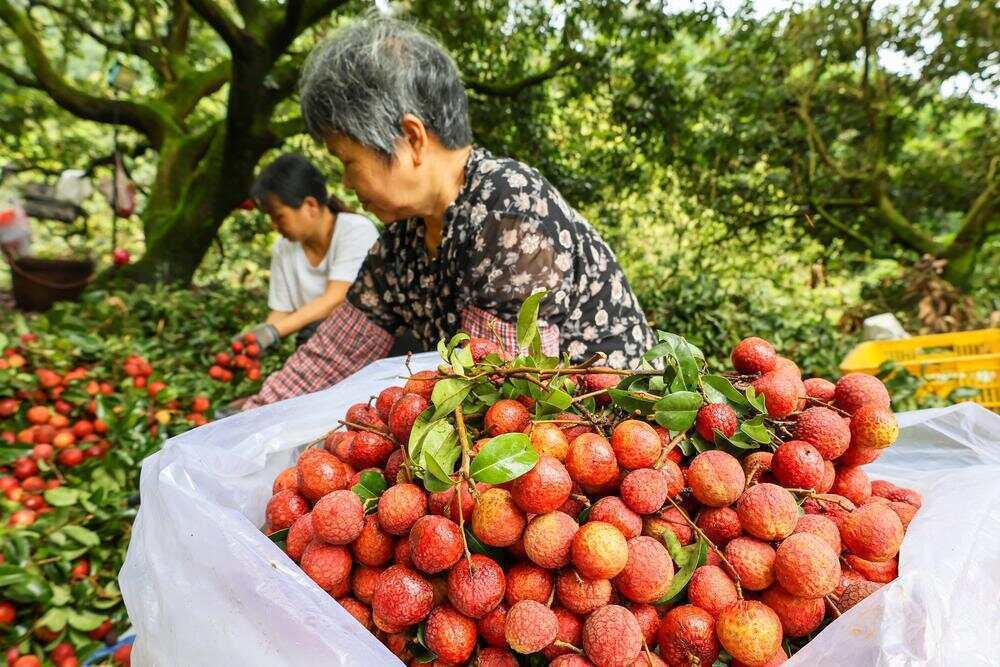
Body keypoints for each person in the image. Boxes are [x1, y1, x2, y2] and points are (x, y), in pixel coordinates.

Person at [242, 16, 654, 410]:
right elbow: (334, 355)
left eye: (348, 162)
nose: (346, 185)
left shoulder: (511, 213)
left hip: (614, 433)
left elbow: (504, 397)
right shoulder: (403, 242)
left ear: (411, 138)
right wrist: (250, 420)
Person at [239, 154, 380, 349]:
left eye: (278, 216)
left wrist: (272, 333)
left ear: (310, 206)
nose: (273, 225)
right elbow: (281, 311)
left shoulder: (356, 230)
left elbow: (335, 299)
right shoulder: (283, 248)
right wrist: (254, 342)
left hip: (365, 344)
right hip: (318, 345)